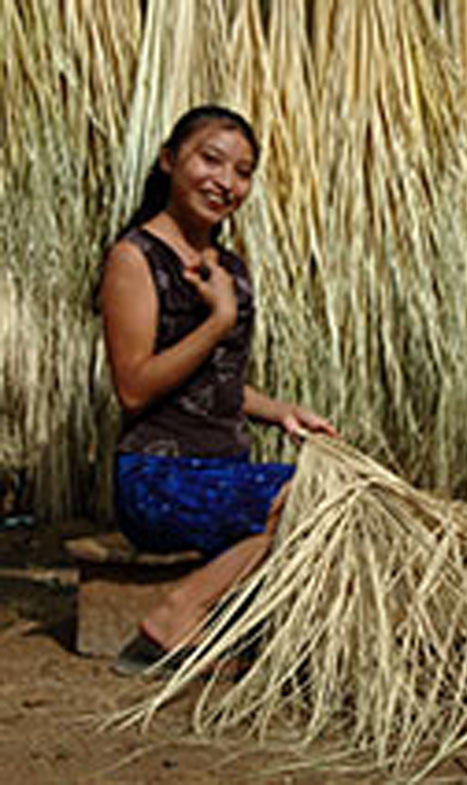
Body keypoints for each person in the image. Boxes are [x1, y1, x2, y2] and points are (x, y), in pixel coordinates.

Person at [95, 104, 337, 671]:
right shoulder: (134, 258)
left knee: (338, 486)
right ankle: (178, 614)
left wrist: (281, 412)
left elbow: (215, 384)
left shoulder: (228, 265)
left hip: (225, 468)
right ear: (168, 160)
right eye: (211, 160)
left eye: (243, 171)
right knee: (311, 498)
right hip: (158, 476)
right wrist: (218, 321)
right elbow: (133, 387)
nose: (226, 181)